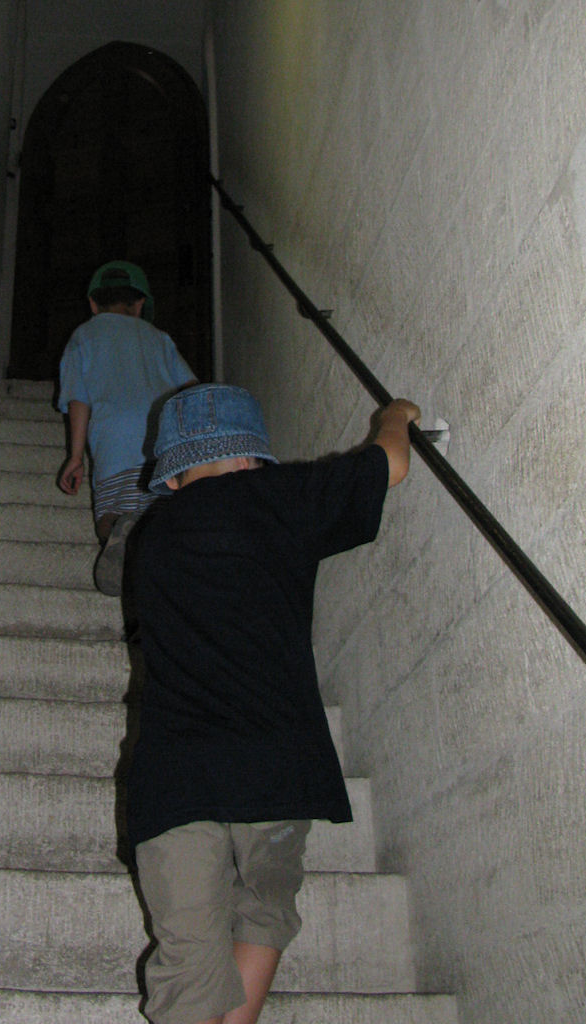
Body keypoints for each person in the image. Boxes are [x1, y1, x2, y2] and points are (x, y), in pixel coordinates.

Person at [125, 382, 421, 1024]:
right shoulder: (281, 499)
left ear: (171, 476)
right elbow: (392, 463)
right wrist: (396, 414)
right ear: (253, 457)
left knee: (187, 955)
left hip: (174, 774)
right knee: (263, 908)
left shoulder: (150, 536)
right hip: (276, 764)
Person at [57, 260, 195, 594]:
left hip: (114, 438)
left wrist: (75, 457)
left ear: (93, 304)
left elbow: (78, 399)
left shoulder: (83, 336)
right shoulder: (159, 338)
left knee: (110, 511)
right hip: (163, 438)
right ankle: (158, 551)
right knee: (160, 505)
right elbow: (191, 390)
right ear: (140, 304)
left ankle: (120, 533)